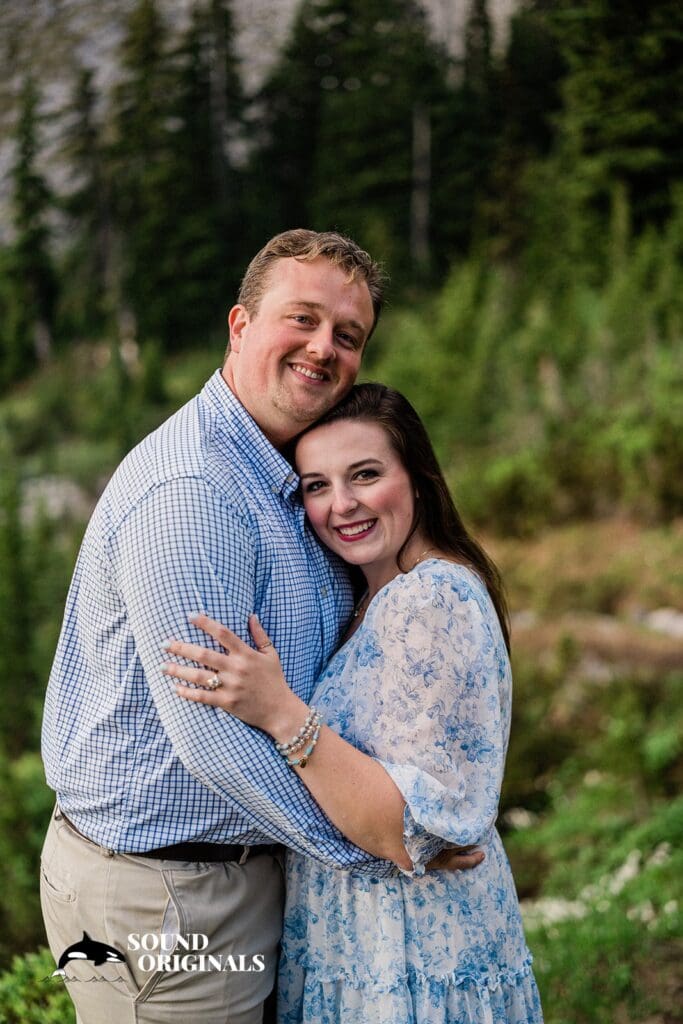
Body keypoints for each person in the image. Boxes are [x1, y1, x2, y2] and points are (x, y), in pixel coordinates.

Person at [40, 230, 480, 1024]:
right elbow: (214, 744)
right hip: (171, 892)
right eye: (301, 319)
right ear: (240, 326)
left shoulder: (288, 477)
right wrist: (381, 848)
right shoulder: (196, 492)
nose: (324, 348)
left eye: (348, 335)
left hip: (247, 871)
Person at [165, 383, 544, 1024]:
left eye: (364, 475)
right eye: (315, 485)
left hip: (411, 952)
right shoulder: (371, 596)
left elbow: (408, 830)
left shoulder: (431, 600)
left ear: (418, 479)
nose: (341, 505)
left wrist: (280, 711)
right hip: (363, 939)